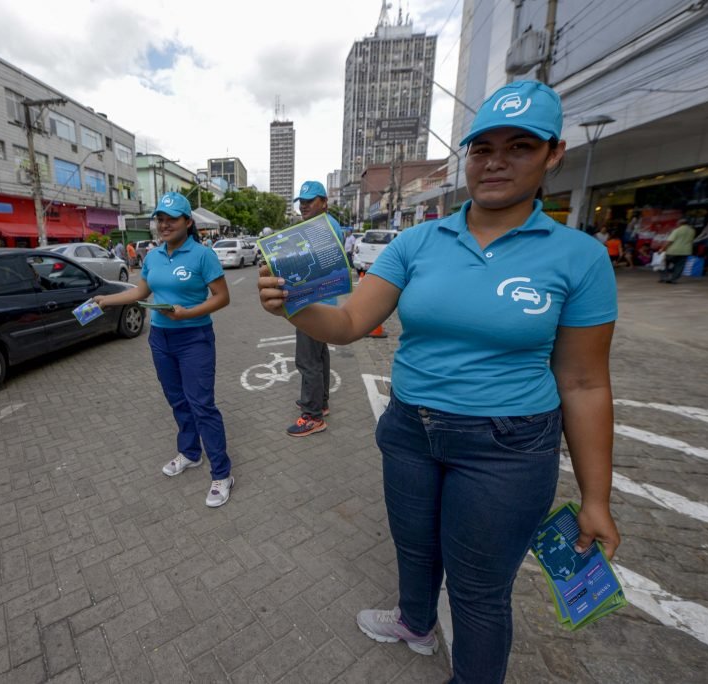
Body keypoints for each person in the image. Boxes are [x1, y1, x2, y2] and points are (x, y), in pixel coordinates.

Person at [258, 80, 620, 683]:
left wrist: (597, 499)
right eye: (482, 148)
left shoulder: (579, 257)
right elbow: (348, 321)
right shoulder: (416, 241)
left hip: (508, 448)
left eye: (520, 146)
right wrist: (290, 307)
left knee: (479, 593)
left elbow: (584, 384)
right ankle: (416, 624)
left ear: (553, 154)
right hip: (409, 431)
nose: (496, 161)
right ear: (467, 157)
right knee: (415, 550)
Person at [94, 192, 234, 507]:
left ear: (187, 222)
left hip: (194, 338)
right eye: (160, 218)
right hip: (161, 338)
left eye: (171, 218)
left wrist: (189, 312)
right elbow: (141, 291)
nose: (164, 224)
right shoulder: (153, 256)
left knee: (203, 405)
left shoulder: (202, 255)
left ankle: (222, 473)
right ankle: (189, 453)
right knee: (178, 401)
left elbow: (222, 297)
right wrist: (105, 299)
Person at [287, 181, 345, 437]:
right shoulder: (327, 226)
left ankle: (312, 416)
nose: (304, 206)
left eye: (310, 200)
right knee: (320, 355)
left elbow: (310, 265)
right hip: (323, 303)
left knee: (307, 360)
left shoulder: (320, 228)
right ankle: (320, 402)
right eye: (302, 201)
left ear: (324, 202)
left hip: (312, 305)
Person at [658, 219, 696, 283]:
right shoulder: (692, 231)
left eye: (677, 223)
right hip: (685, 251)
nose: (677, 224)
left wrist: (662, 249)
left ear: (680, 224)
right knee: (679, 266)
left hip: (673, 251)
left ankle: (664, 277)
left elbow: (669, 241)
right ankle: (673, 279)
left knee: (664, 264)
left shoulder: (677, 230)